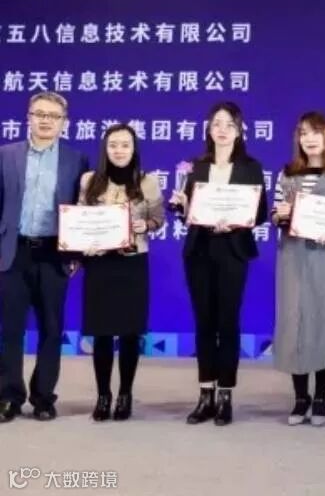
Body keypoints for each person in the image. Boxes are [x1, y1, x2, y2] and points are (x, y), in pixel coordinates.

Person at [170, 101, 268, 426]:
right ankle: (205, 395)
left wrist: (236, 222)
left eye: (229, 124)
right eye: (216, 124)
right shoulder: (196, 167)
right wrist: (181, 205)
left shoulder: (250, 167)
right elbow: (187, 214)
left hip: (233, 249)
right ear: (209, 130)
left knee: (227, 321)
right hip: (199, 250)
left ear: (239, 130)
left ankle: (225, 395)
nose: (222, 130)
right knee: (204, 322)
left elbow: (260, 212)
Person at [0, 92, 88, 423]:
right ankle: (8, 396)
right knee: (10, 329)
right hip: (13, 251)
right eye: (39, 114)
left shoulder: (76, 160)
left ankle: (43, 398)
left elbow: (81, 209)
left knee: (52, 328)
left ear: (64, 122)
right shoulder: (6, 155)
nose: (46, 120)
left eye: (53, 116)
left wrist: (76, 251)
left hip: (54, 252)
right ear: (28, 117)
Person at [271, 112, 325, 427]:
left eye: (315, 132)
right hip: (292, 256)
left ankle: (320, 397)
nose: (309, 139)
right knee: (295, 322)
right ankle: (300, 398)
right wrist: (280, 214)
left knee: (323, 320)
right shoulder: (286, 174)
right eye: (303, 133)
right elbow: (275, 215)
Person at [79, 124, 164, 421]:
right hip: (100, 263)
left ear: (134, 149)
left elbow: (158, 219)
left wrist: (146, 225)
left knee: (130, 332)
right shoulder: (89, 181)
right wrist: (83, 244)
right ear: (105, 149)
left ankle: (125, 394)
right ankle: (103, 395)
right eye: (113, 145)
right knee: (102, 332)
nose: (119, 150)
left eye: (125, 145)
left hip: (133, 262)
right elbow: (80, 218)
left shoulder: (147, 182)